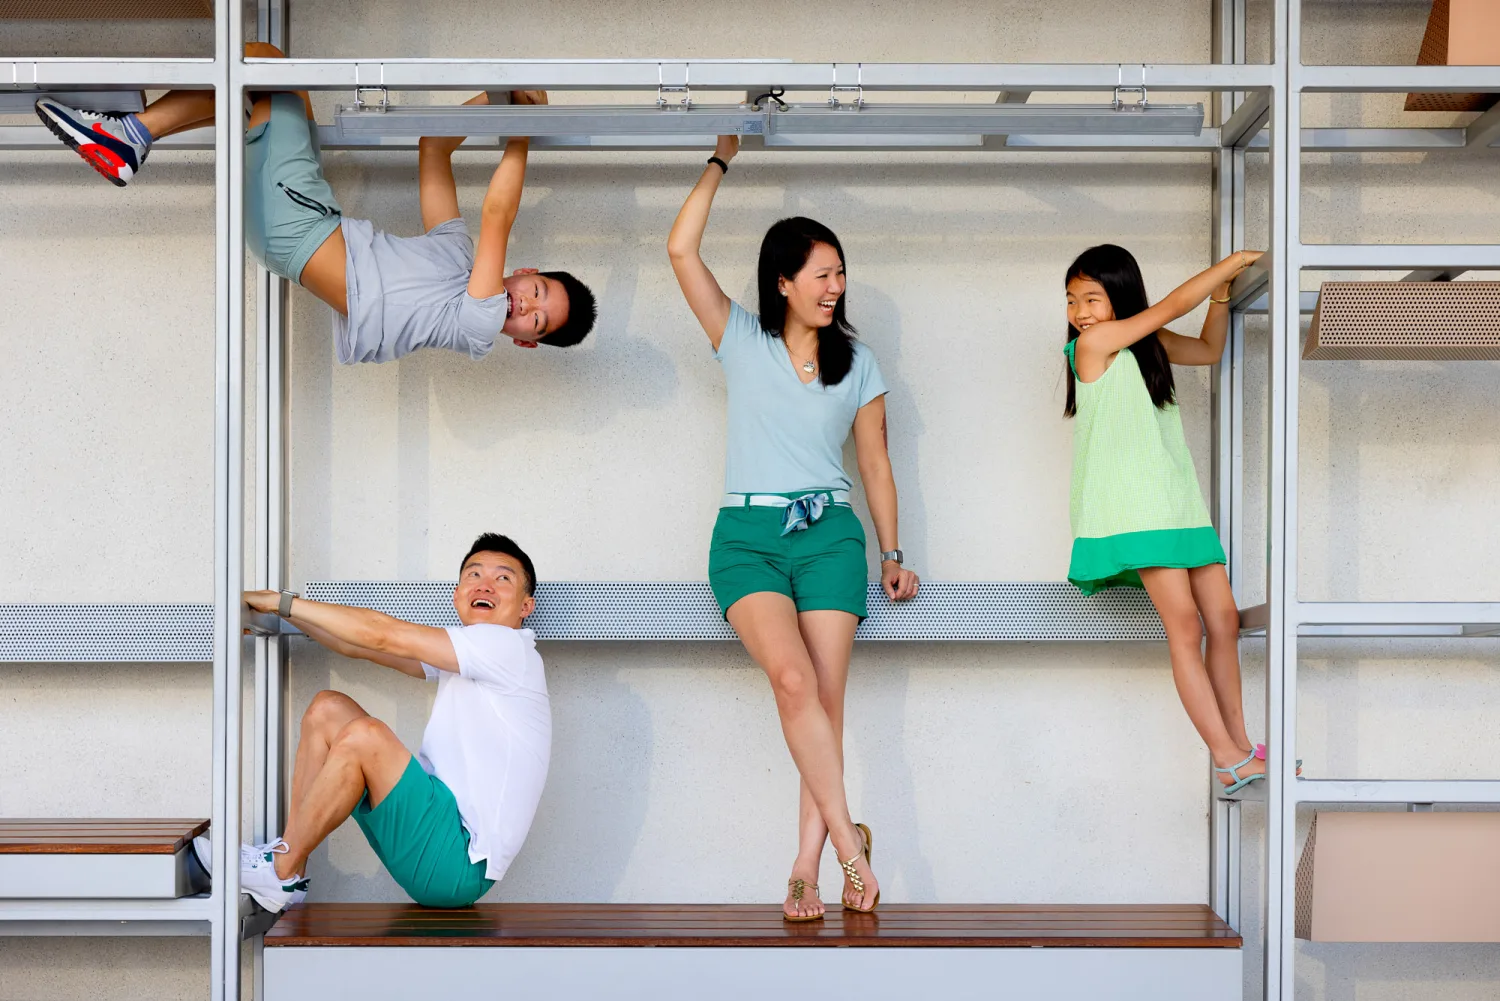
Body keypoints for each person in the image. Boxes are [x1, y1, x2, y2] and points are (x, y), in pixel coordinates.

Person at [667, 135, 920, 921]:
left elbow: (875, 464)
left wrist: (893, 553)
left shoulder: (861, 364)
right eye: (822, 274)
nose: (836, 287)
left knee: (826, 706)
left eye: (841, 273)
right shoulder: (741, 339)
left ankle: (807, 863)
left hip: (831, 539)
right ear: (783, 282)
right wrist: (720, 160)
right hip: (747, 541)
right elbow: (680, 248)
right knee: (793, 682)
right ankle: (852, 846)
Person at [35, 42, 596, 364]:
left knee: (262, 60)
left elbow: (499, 212)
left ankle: (128, 136)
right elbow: (434, 148)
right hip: (294, 226)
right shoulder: (454, 253)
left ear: (523, 340)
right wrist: (501, 98)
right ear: (527, 273)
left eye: (538, 324)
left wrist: (522, 128)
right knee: (256, 84)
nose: (526, 308)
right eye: (538, 293)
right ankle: (131, 133)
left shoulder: (474, 328)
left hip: (298, 225)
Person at [1062, 243, 1282, 795]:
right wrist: (1225, 266)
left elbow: (1209, 350)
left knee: (1224, 622)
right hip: (1133, 509)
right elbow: (1168, 307)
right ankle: (1228, 756)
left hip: (1175, 502)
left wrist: (1223, 296)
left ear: (1119, 294)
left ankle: (1239, 747)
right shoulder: (1092, 345)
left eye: (1091, 297)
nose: (1080, 311)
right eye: (1071, 300)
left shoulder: (1145, 345)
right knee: (1184, 628)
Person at [233, 533, 550, 912]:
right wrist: (279, 615)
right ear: (457, 592)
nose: (484, 585)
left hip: (461, 861)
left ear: (525, 606)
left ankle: (279, 871)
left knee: (367, 735)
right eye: (474, 574)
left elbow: (380, 635)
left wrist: (279, 600)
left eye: (503, 579)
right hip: (439, 831)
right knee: (327, 709)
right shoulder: (469, 650)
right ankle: (288, 864)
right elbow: (359, 646)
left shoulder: (506, 647)